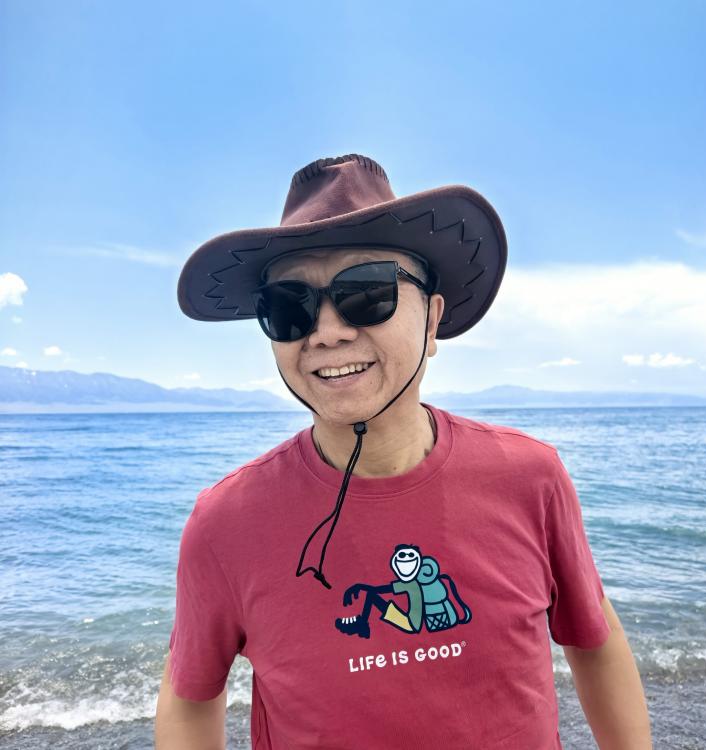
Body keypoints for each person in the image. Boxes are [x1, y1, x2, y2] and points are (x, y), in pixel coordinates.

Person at [155, 154, 652, 749]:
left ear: (432, 320)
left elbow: (594, 640)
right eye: (289, 306)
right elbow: (190, 697)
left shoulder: (530, 475)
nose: (328, 332)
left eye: (367, 293)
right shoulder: (225, 521)